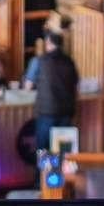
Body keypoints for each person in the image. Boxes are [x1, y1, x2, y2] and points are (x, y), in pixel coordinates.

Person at [31, 27, 79, 156]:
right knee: (63, 152)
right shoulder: (69, 61)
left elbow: (27, 86)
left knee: (45, 152)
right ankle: (62, 169)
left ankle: (46, 170)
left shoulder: (39, 61)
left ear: (48, 42)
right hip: (66, 113)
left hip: (47, 113)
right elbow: (75, 83)